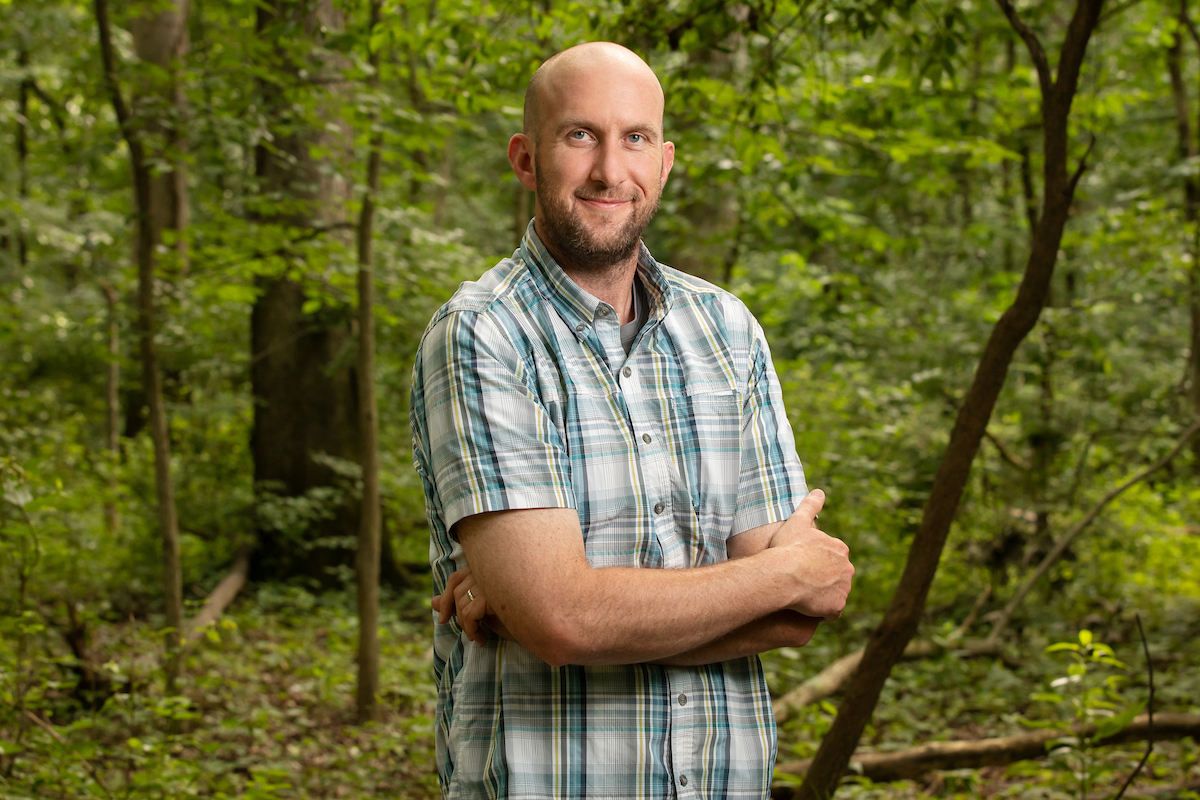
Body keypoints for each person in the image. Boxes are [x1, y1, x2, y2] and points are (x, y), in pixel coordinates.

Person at [410, 41, 854, 800]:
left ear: (666, 160)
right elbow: (565, 621)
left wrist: (562, 613)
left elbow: (801, 615)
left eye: (635, 138)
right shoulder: (482, 335)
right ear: (525, 158)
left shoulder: (727, 330)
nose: (611, 171)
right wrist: (782, 569)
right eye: (580, 135)